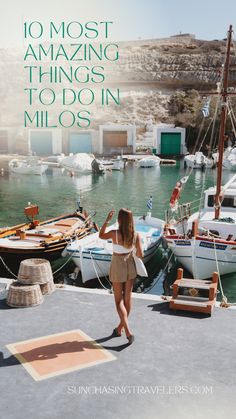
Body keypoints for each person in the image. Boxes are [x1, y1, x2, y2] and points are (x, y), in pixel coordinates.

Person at [99, 208, 143, 344]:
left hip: (118, 264)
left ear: (119, 220)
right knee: (127, 300)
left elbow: (101, 235)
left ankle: (128, 332)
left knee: (119, 301)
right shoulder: (136, 235)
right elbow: (141, 255)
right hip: (130, 264)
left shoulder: (114, 234)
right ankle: (119, 329)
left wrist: (107, 220)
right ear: (131, 220)